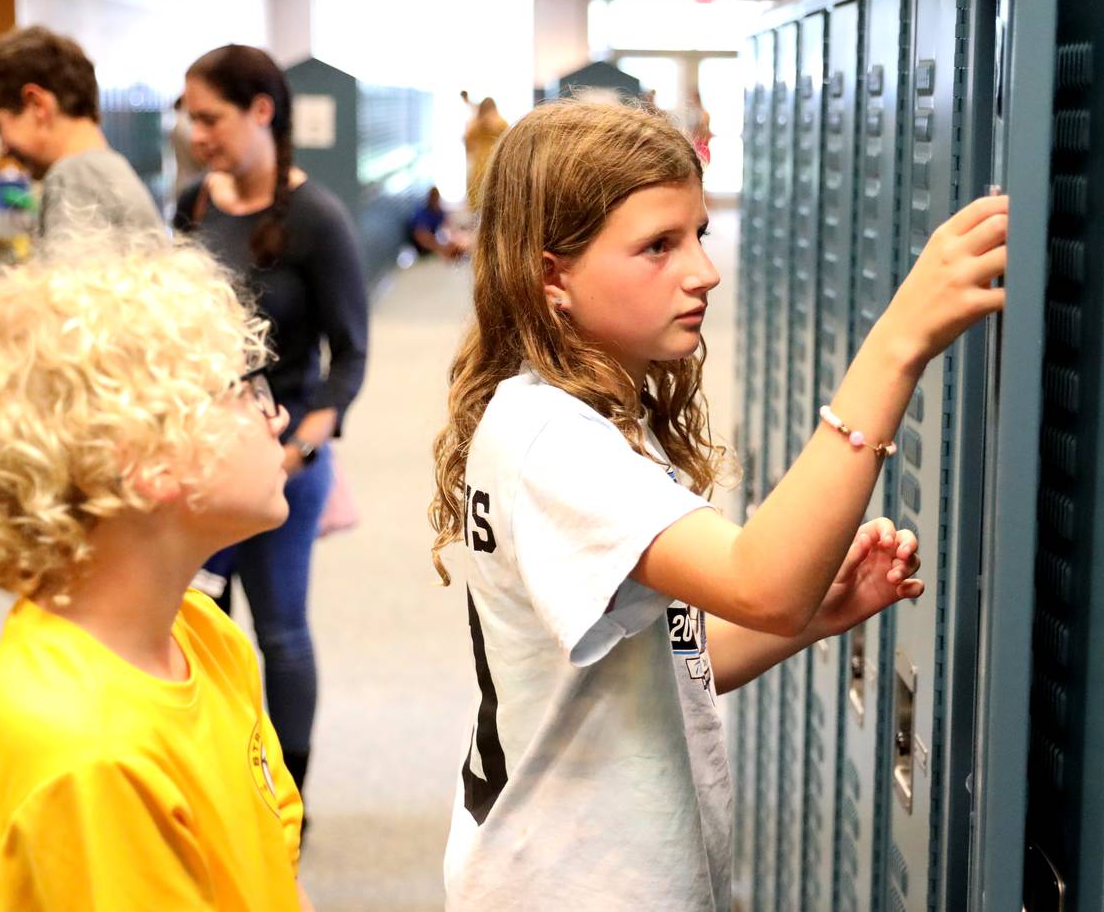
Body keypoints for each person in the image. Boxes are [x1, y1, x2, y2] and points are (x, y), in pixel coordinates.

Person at [428, 101, 1009, 909]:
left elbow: (667, 662)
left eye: (698, 234)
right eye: (658, 246)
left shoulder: (589, 412)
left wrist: (814, 613)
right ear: (551, 275)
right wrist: (897, 341)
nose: (703, 270)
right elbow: (760, 581)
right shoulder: (554, 442)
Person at [0, 235, 315, 909]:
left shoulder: (202, 633)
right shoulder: (86, 758)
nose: (279, 415)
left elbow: (277, 871)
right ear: (146, 461)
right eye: (243, 392)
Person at [174, 44, 369, 807]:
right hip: (205, 458)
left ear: (261, 111)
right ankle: (215, 780)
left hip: (287, 459)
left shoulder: (318, 219)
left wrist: (295, 450)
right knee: (194, 622)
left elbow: (348, 358)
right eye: (190, 119)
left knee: (280, 630)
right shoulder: (193, 205)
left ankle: (287, 798)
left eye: (210, 117)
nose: (197, 134)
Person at [0, 25, 163, 238]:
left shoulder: (74, 178)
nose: (3, 149)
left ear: (38, 106)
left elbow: (67, 272)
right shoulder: (109, 171)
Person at [463, 97, 509, 212]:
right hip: (480, 167)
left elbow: (508, 142)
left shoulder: (500, 123)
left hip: (493, 165)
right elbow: (467, 143)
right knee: (479, 203)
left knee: (493, 201)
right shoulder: (476, 124)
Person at [409, 186, 468, 261]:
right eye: (433, 198)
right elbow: (420, 236)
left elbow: (448, 225)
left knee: (457, 236)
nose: (435, 200)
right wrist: (439, 247)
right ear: (429, 199)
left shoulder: (439, 211)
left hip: (437, 239)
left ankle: (459, 249)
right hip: (423, 245)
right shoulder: (421, 213)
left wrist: (454, 237)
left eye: (436, 198)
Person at [685, 89, 712, 164]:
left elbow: (706, 132)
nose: (693, 100)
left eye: (694, 98)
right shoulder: (692, 114)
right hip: (695, 144)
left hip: (701, 144)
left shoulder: (704, 114)